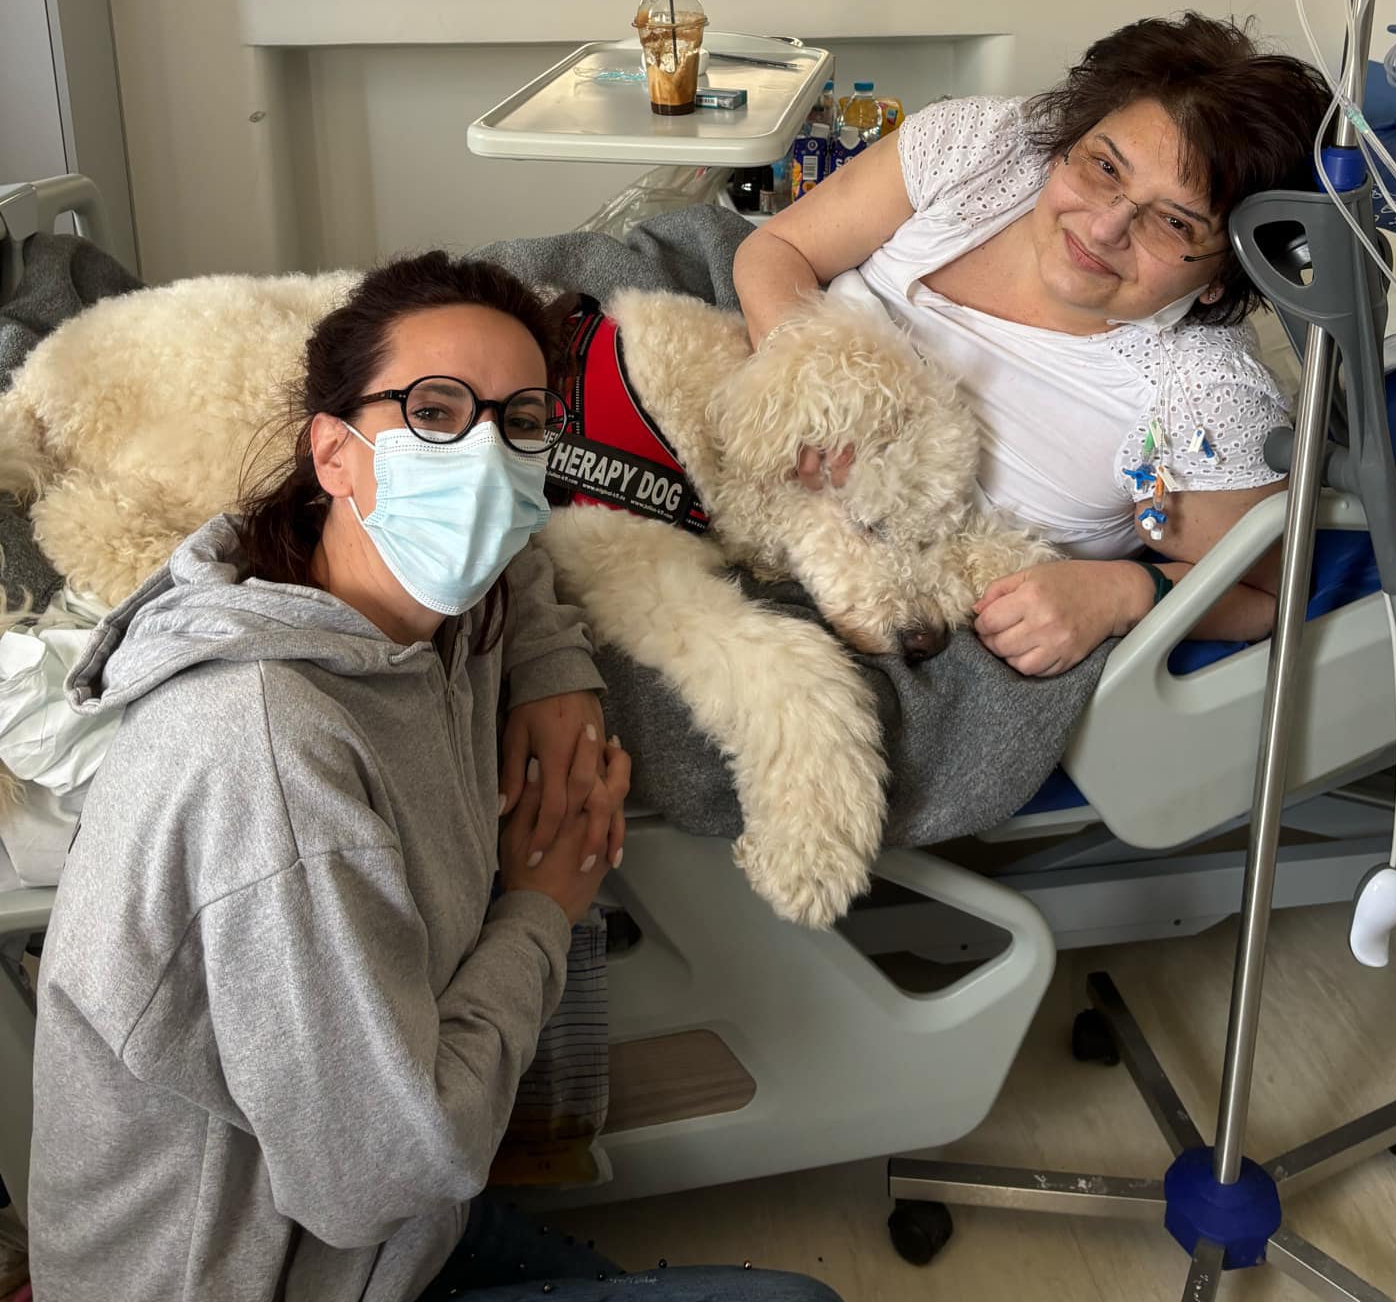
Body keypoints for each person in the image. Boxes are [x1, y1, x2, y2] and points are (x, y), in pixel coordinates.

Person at [29, 252, 840, 1302]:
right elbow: (374, 1179)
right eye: (435, 412)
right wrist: (542, 909)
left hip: (394, 1218)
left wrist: (556, 672)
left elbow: (518, 558)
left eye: (521, 422)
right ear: (334, 453)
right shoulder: (268, 755)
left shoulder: (421, 597)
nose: (483, 460)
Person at [735, 14, 1337, 678]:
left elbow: (1265, 593)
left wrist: (1124, 592)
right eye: (1104, 167)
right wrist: (804, 387)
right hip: (739, 406)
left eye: (1173, 222)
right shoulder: (979, 151)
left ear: (1223, 277)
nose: (1105, 227)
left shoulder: (1201, 396)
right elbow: (777, 247)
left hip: (885, 597)